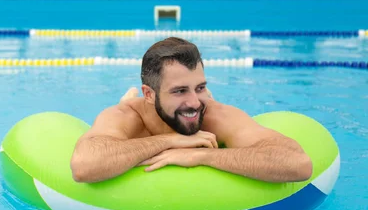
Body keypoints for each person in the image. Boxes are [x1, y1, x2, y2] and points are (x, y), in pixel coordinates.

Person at [70, 37, 313, 184]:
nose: (195, 102)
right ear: (149, 94)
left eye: (200, 87)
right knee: (125, 103)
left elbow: (299, 164)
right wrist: (171, 141)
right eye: (180, 91)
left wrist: (203, 156)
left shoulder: (212, 113)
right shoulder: (127, 116)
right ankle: (131, 95)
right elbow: (83, 166)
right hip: (141, 113)